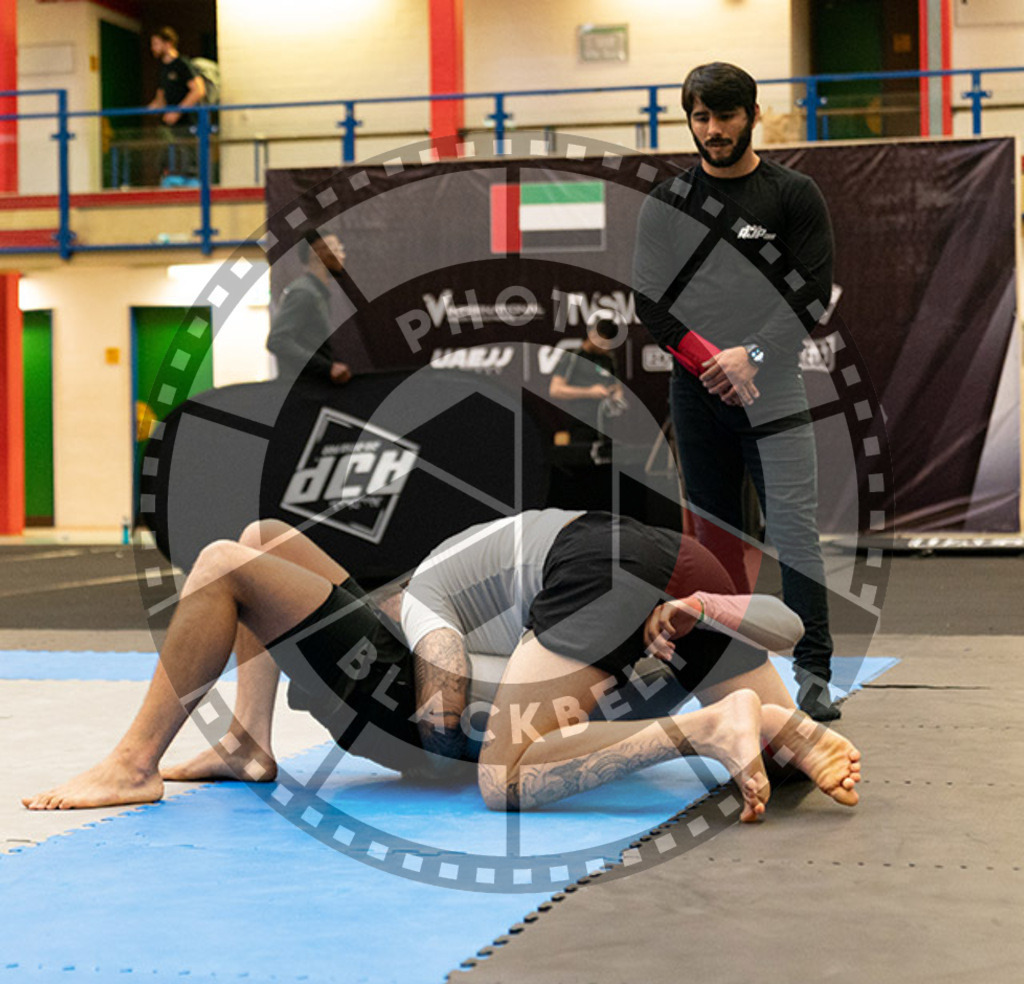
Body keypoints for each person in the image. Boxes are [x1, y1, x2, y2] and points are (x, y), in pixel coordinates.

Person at [22, 511, 861, 821]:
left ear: (382, 608)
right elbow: (785, 624)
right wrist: (701, 608)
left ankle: (134, 763)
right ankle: (248, 742)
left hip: (591, 570)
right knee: (263, 539)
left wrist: (445, 705)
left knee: (221, 562)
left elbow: (442, 672)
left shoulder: (425, 594)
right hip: (681, 572)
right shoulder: (477, 577)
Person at [633, 62, 838, 720]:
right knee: (716, 538)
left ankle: (813, 672)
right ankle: (729, 671)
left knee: (795, 532)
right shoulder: (667, 203)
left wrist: (751, 356)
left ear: (752, 113)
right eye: (700, 117)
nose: (713, 130)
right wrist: (711, 364)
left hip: (772, 389)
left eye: (725, 116)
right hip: (697, 394)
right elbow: (652, 308)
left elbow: (809, 292)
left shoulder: (792, 194)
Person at [266, 229, 353, 385]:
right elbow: (278, 340)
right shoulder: (304, 293)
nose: (342, 255)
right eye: (336, 249)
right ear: (317, 254)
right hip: (302, 392)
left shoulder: (317, 292)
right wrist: (327, 367)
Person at [147, 26, 206, 178]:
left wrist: (177, 111)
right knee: (170, 155)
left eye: (156, 43)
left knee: (190, 158)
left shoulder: (182, 64)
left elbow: (198, 90)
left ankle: (193, 183)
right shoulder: (163, 68)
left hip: (188, 123)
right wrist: (153, 108)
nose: (153, 48)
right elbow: (160, 97)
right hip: (172, 127)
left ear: (168, 44)